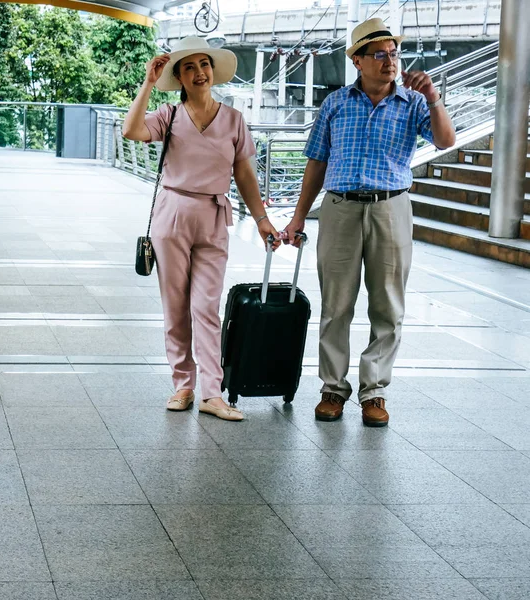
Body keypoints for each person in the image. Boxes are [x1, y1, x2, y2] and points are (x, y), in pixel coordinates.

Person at [282, 18, 455, 427]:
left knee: (388, 305)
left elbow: (446, 140)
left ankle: (374, 392)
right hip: (340, 208)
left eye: (393, 53)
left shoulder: (413, 103)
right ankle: (332, 389)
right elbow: (317, 162)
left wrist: (432, 96)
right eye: (379, 54)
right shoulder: (336, 103)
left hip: (391, 208)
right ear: (357, 60)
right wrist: (298, 216)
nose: (389, 61)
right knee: (335, 304)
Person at [122, 36, 280, 422]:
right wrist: (147, 82)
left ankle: (212, 391)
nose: (199, 73)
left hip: (214, 214)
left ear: (213, 71)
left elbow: (244, 173)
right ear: (179, 77)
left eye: (204, 65)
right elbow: (131, 131)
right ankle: (183, 384)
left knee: (206, 306)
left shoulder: (233, 120)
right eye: (189, 67)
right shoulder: (169, 115)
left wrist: (261, 220)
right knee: (176, 307)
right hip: (172, 212)